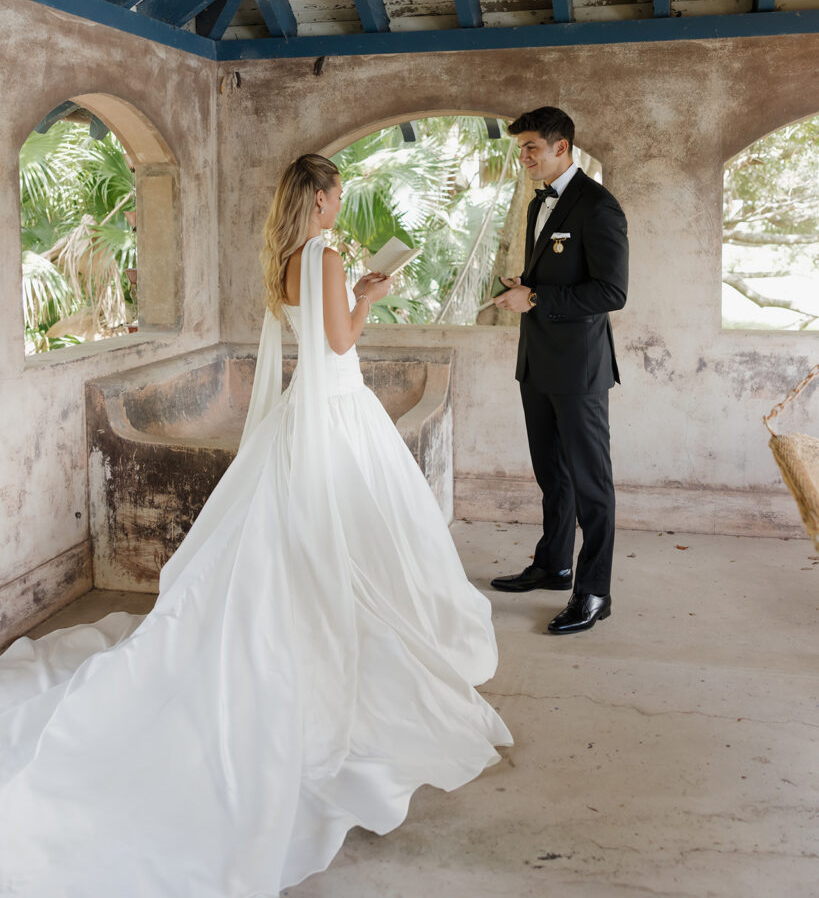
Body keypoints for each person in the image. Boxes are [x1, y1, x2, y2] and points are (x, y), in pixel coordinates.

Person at [0, 153, 511, 897]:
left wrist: (351, 291)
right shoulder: (327, 255)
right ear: (326, 199)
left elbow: (315, 336)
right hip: (336, 407)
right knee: (357, 534)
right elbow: (343, 343)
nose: (339, 206)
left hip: (310, 409)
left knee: (306, 533)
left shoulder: (285, 259)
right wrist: (370, 293)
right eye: (338, 196)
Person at [491, 108, 628, 634]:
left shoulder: (599, 206)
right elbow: (558, 273)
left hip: (579, 369)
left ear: (562, 147)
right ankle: (554, 564)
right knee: (552, 474)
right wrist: (526, 282)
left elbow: (612, 292)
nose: (523, 157)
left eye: (531, 148)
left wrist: (537, 296)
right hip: (537, 362)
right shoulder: (536, 204)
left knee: (592, 485)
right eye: (521, 148)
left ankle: (593, 592)